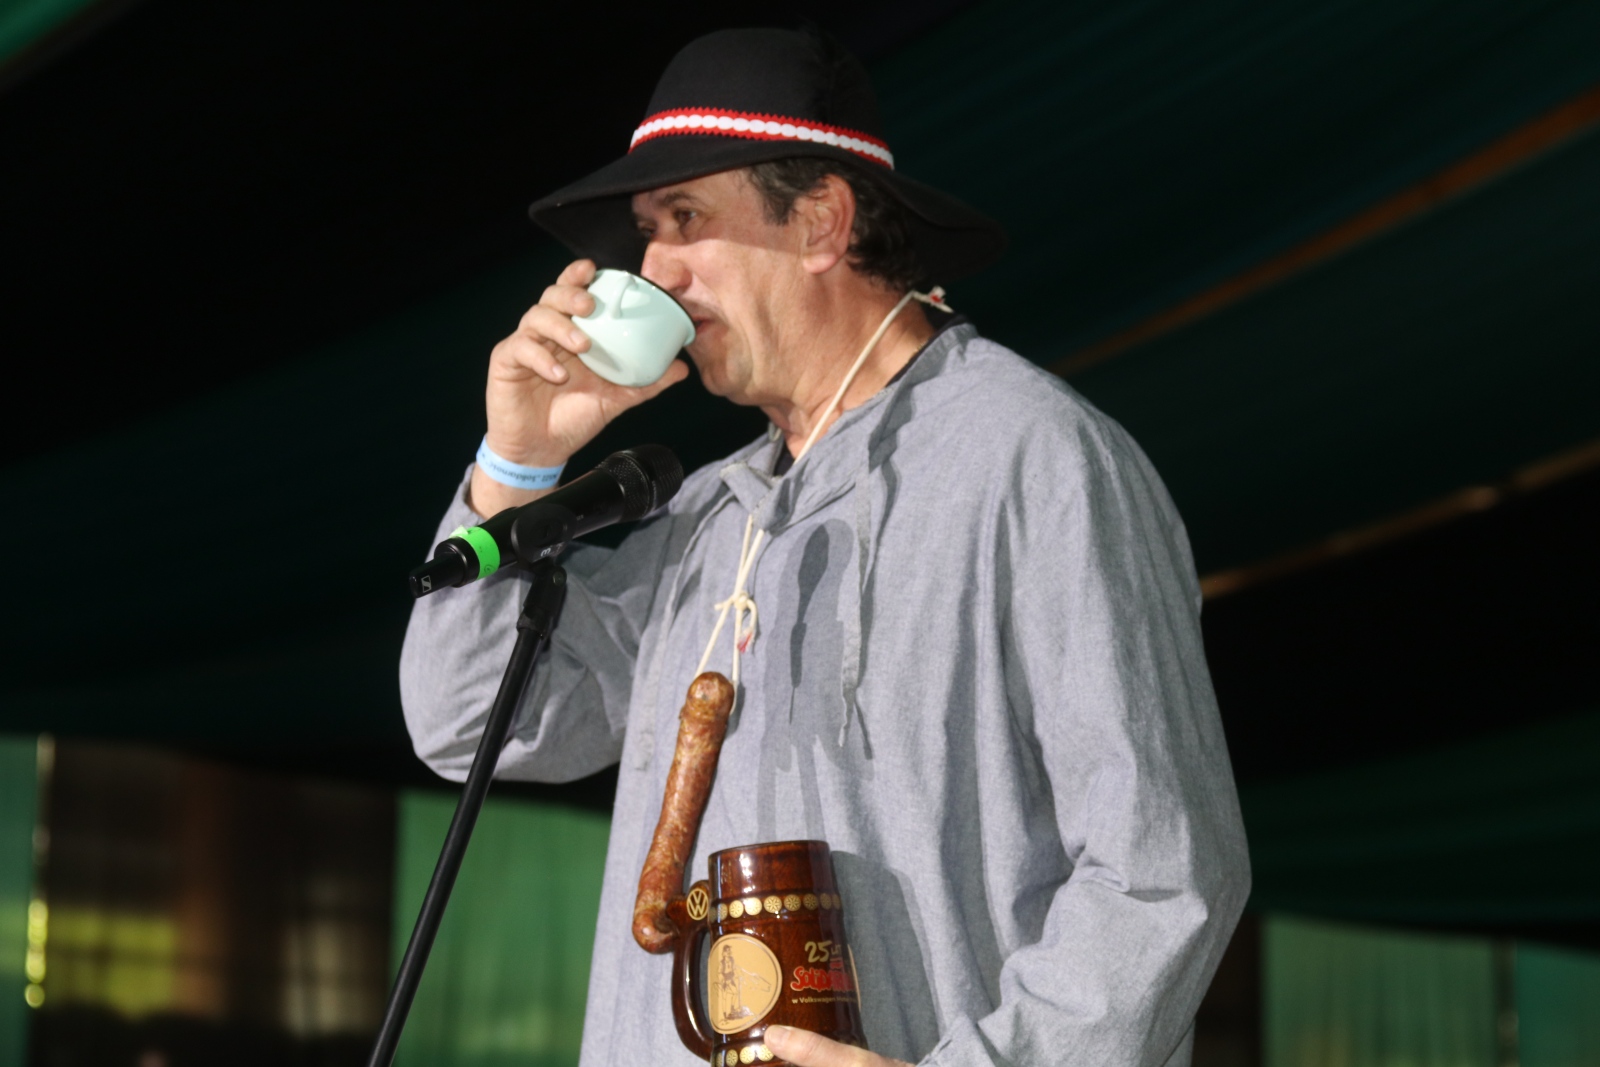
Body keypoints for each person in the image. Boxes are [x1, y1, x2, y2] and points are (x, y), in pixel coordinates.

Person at [401, 26, 1249, 1067]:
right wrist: (517, 465)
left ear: (819, 223)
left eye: (685, 219)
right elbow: (469, 721)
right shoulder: (708, 517)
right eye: (646, 233)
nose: (652, 271)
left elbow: (1160, 871)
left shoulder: (1033, 458)